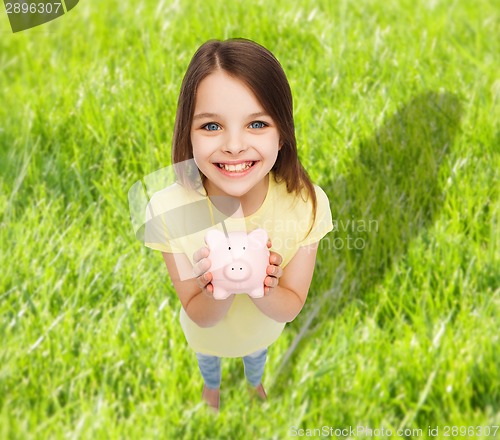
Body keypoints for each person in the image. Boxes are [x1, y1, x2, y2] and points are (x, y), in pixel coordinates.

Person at [144, 38, 333, 411]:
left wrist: (261, 286)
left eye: (257, 124)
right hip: (204, 334)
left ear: (282, 135)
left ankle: (255, 383)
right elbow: (199, 313)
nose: (233, 145)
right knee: (208, 360)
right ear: (188, 134)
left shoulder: (306, 205)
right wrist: (220, 285)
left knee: (256, 355)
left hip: (262, 330)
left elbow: (291, 306)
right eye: (212, 125)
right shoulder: (168, 209)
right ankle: (211, 389)